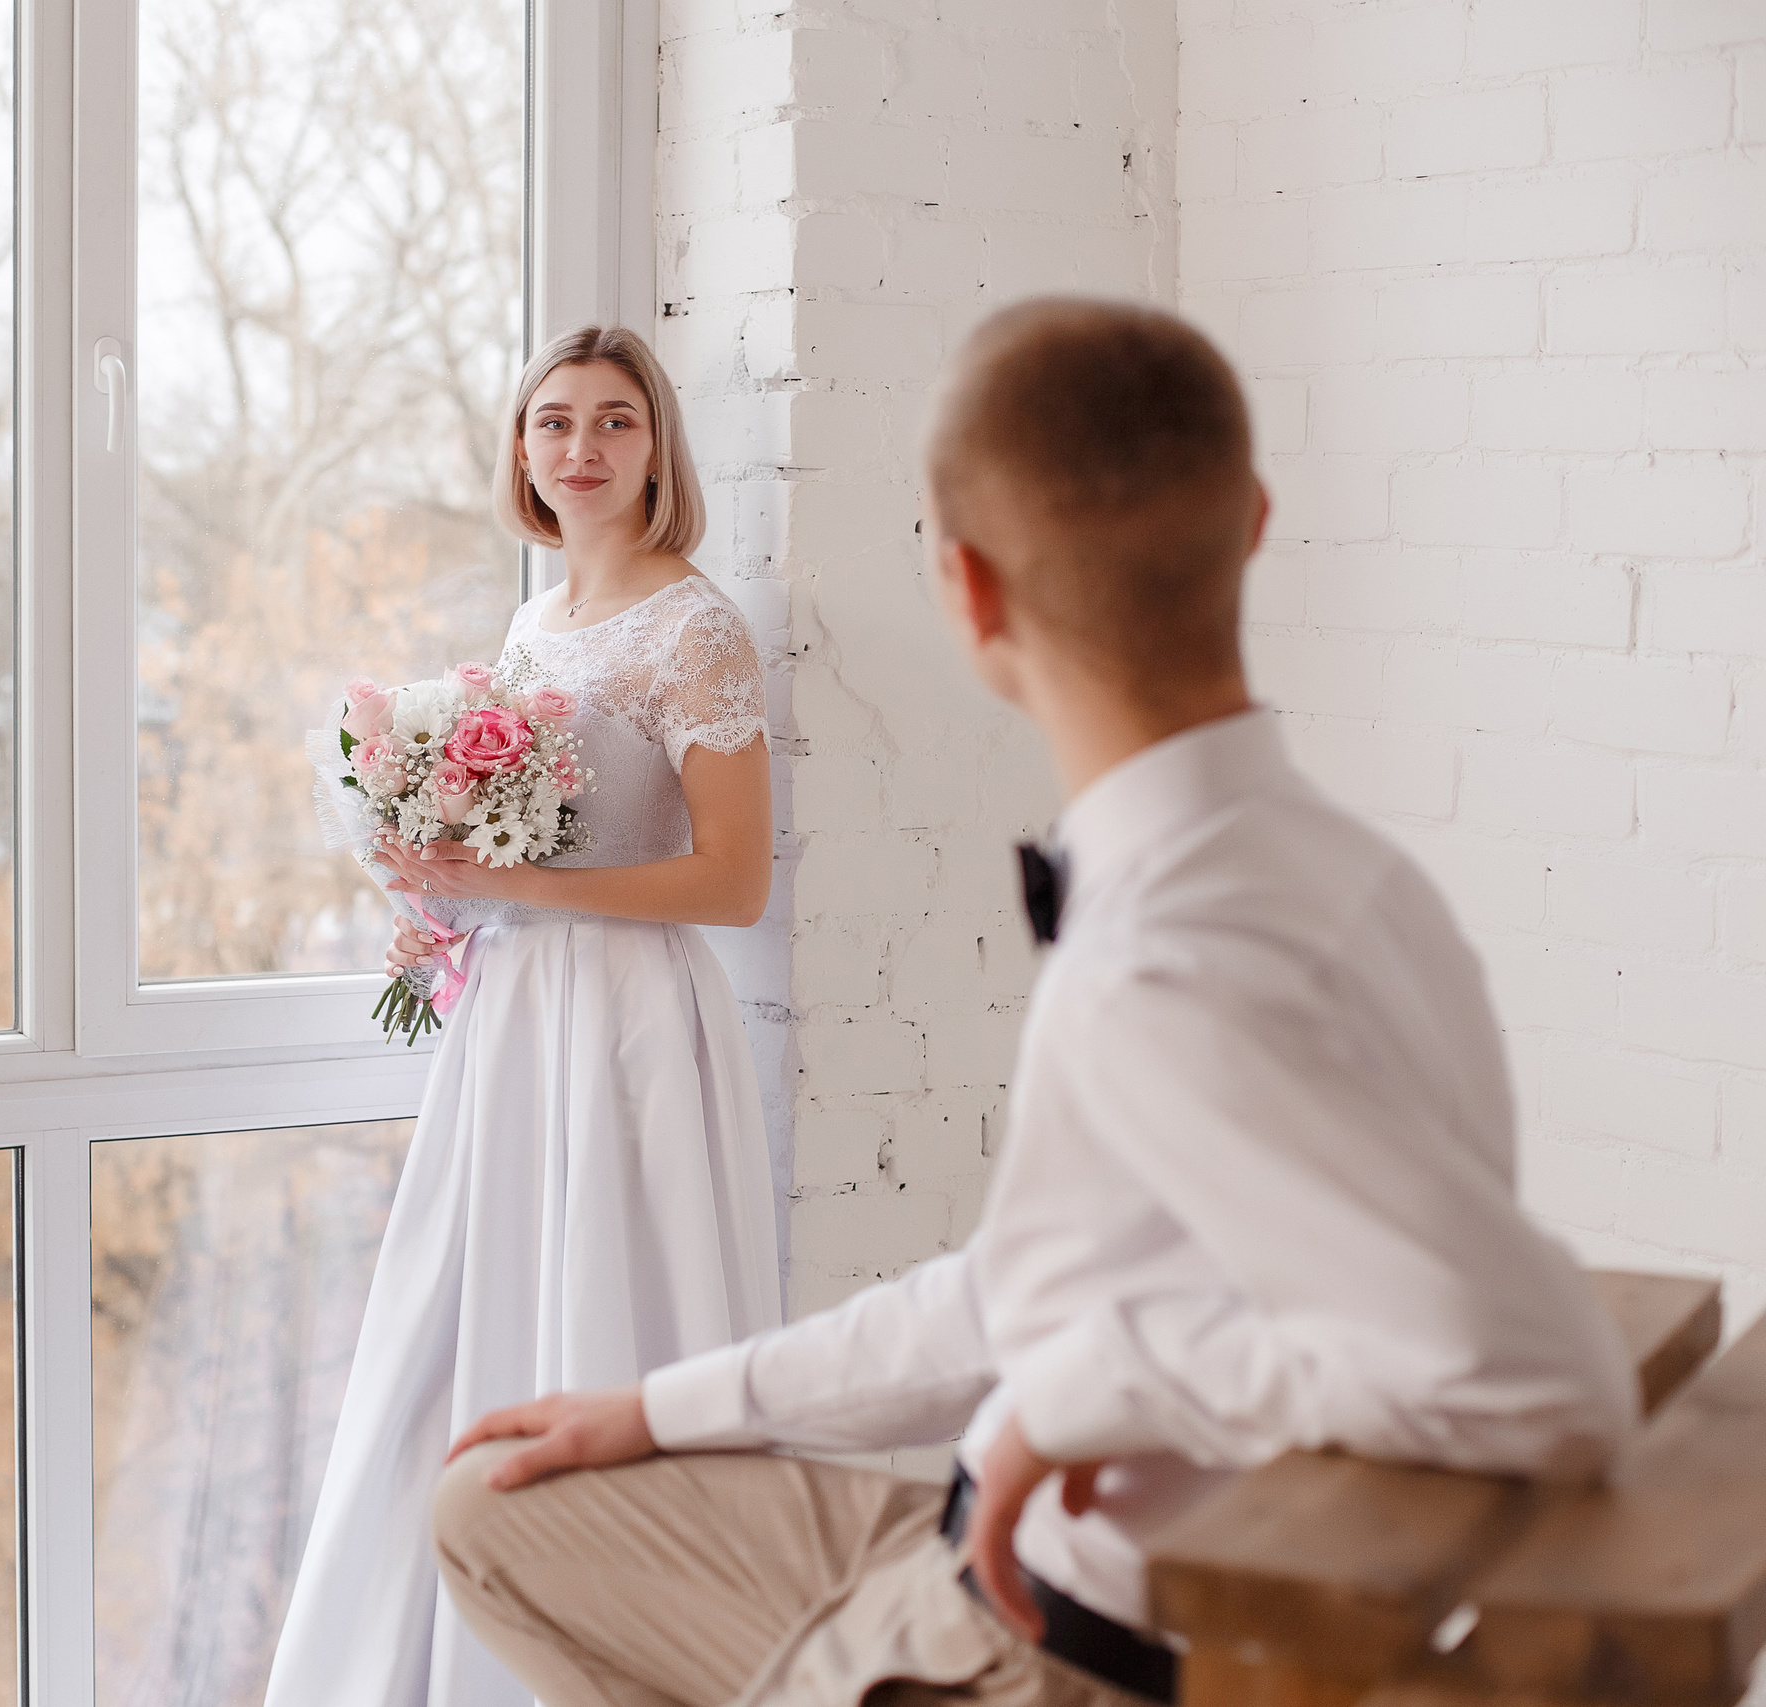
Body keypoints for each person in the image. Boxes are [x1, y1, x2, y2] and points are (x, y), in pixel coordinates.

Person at [426, 298, 1643, 1707]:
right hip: (989, 1537)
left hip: (1039, 1640)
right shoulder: (1356, 879)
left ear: (968, 592)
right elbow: (1031, 1293)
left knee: (488, 1522)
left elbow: (1540, 1379)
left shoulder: (1168, 956)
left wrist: (1088, 1393)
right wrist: (650, 1410)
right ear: (1250, 523)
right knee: (498, 1500)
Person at [262, 325, 786, 1707]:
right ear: (522, 452)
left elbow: (730, 883)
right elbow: (511, 852)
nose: (581, 449)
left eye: (615, 423)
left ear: (657, 449)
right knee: (477, 1299)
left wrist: (509, 875)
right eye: (553, 423)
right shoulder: (530, 623)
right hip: (512, 1024)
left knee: (619, 1306)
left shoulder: (695, 627)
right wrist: (443, 897)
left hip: (626, 1024)